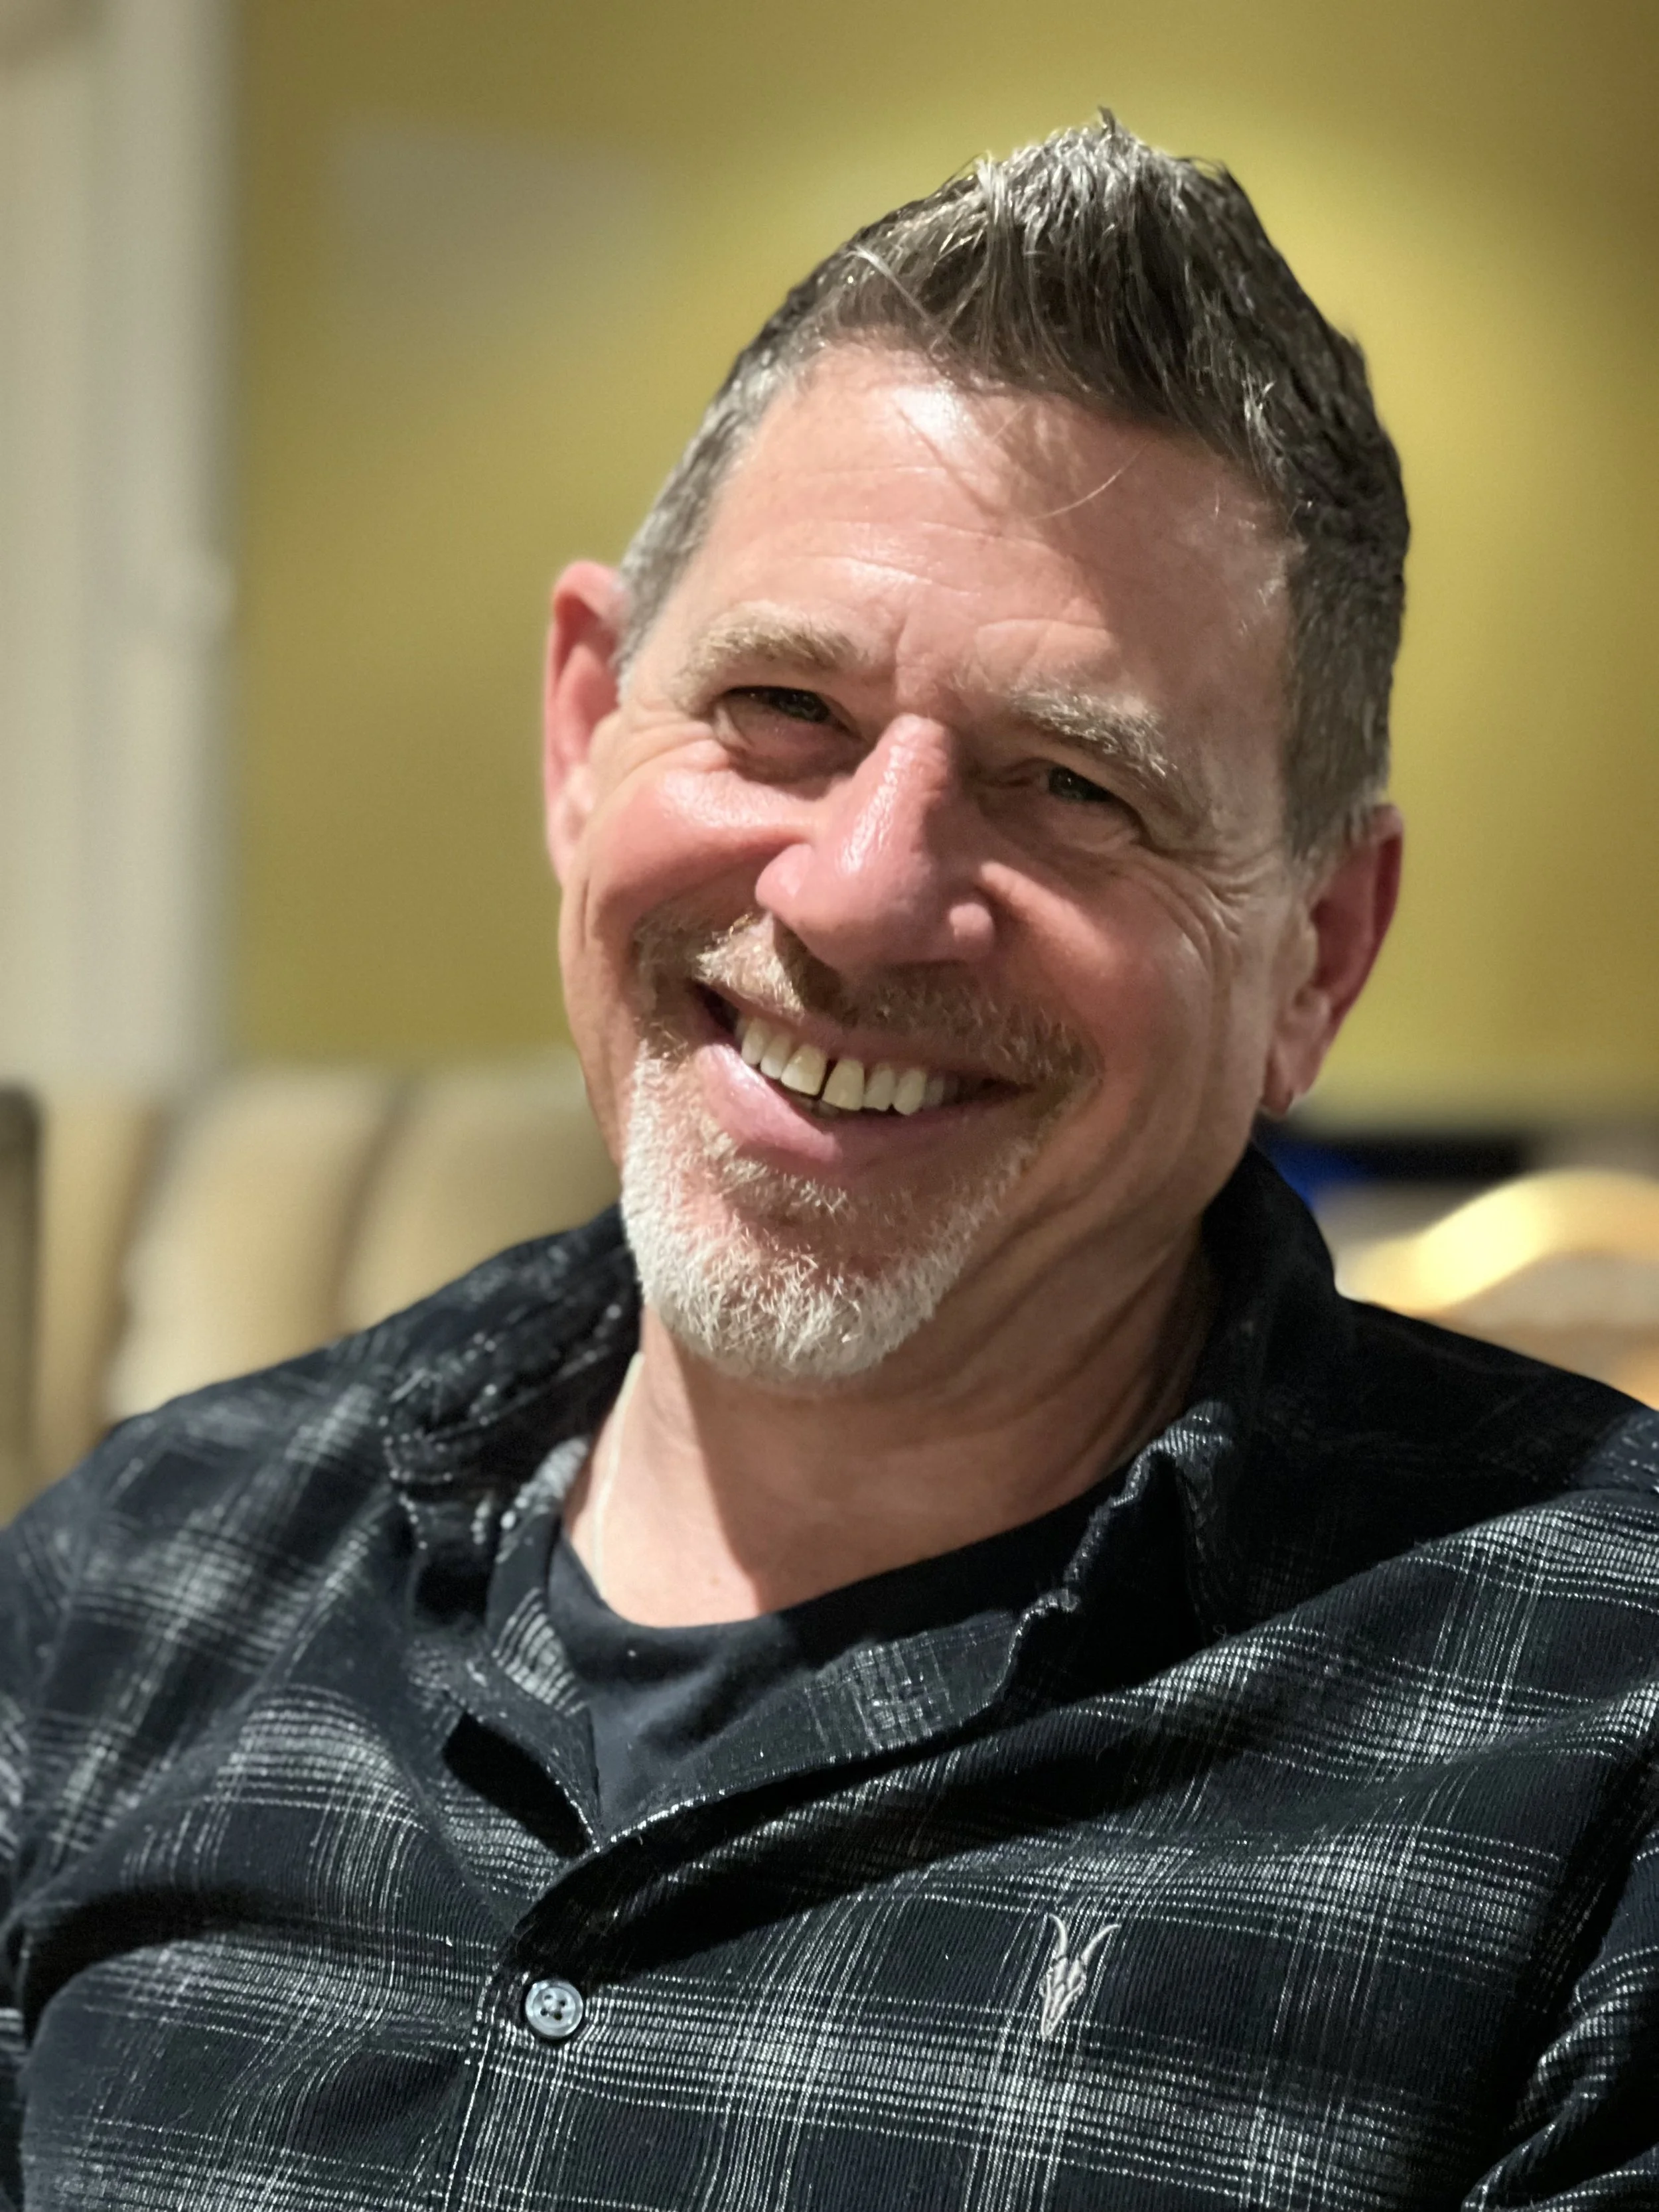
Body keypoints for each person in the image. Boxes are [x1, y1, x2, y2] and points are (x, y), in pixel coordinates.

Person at [3, 115, 1656, 2212]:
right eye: (780, 701)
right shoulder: (135, 1576)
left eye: (1074, 784)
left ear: (1313, 951)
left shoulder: (1602, 1728)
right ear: (583, 731)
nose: (863, 894)